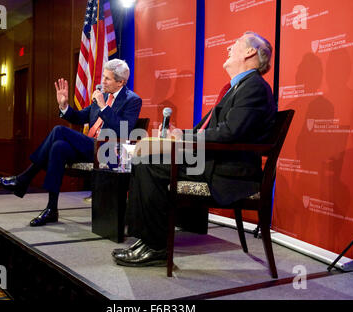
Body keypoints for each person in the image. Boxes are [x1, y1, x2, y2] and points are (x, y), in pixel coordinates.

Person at [112, 31, 277, 267]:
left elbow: (231, 132)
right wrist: (182, 135)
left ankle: (156, 246)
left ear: (250, 52)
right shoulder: (239, 87)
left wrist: (185, 137)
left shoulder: (254, 87)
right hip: (215, 163)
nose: (228, 49)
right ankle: (147, 239)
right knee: (143, 161)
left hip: (229, 173)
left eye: (235, 44)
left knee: (148, 165)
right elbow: (214, 129)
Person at [0, 59, 142, 227]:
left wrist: (104, 107)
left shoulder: (132, 100)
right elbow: (78, 117)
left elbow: (124, 131)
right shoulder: (102, 96)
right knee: (58, 147)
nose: (102, 82)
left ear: (121, 82)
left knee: (59, 131)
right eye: (103, 77)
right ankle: (51, 209)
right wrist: (64, 106)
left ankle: (23, 179)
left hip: (109, 151)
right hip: (90, 147)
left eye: (107, 79)